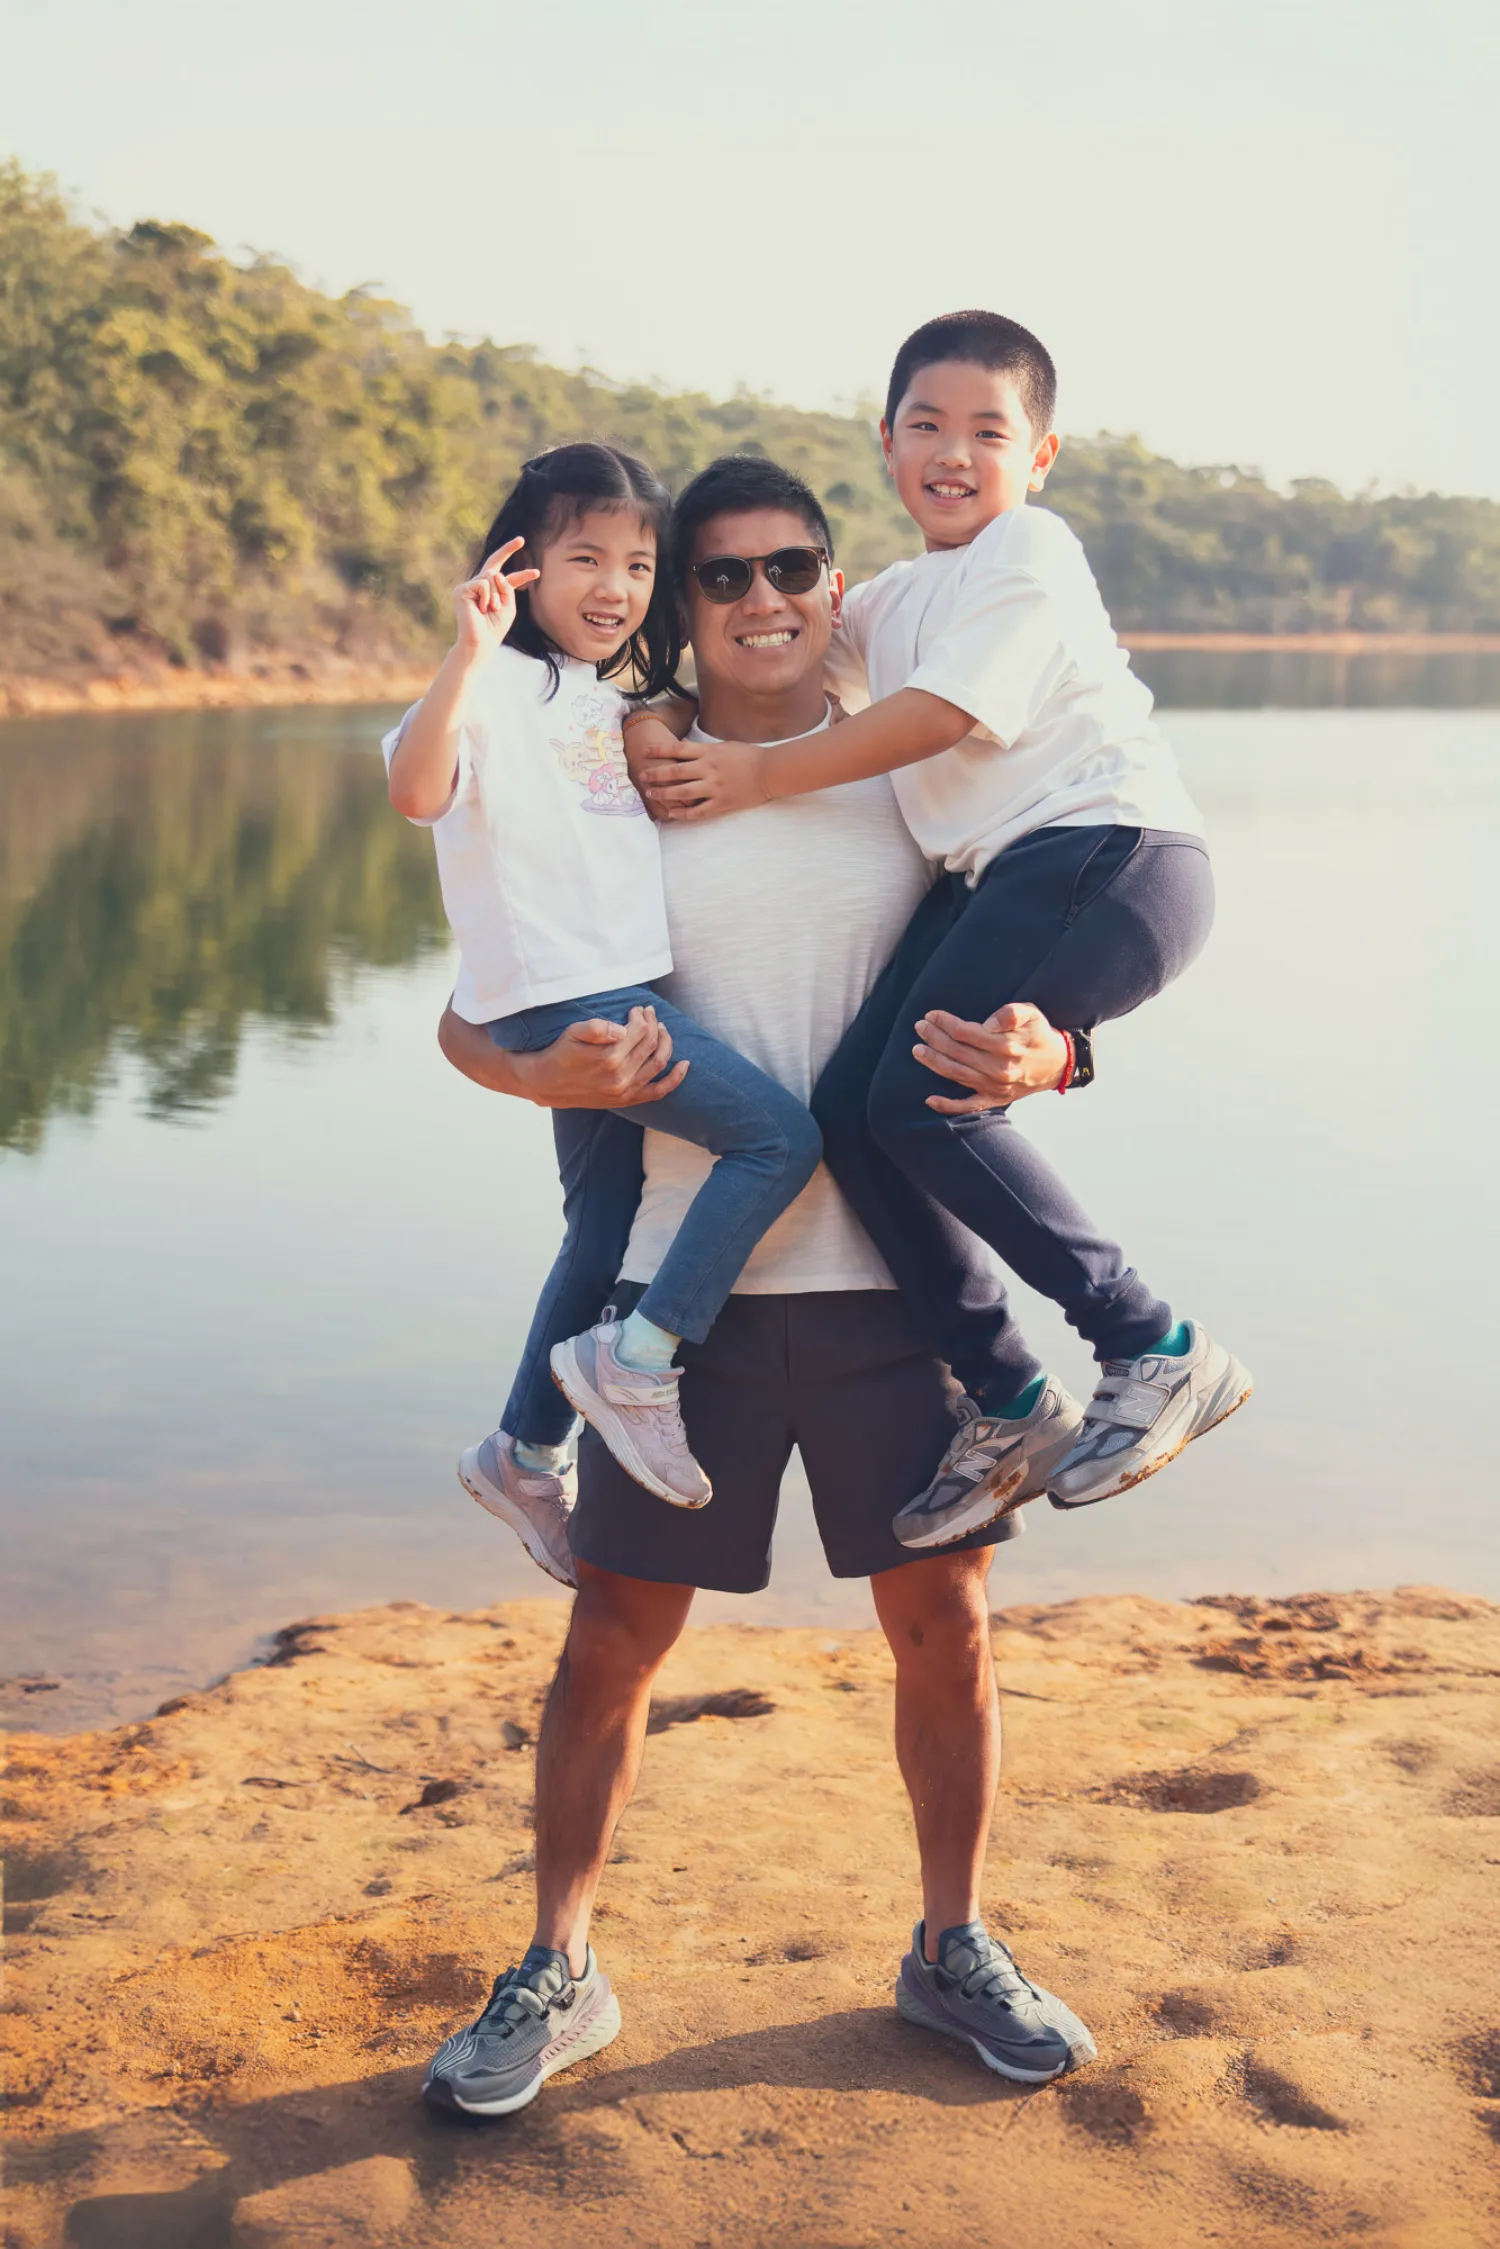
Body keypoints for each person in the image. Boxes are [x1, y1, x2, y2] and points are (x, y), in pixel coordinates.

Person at [420, 455, 1097, 2118]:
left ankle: (950, 1940)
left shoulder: (925, 766)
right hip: (680, 1298)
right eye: (719, 576)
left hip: (896, 1284)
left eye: (791, 565)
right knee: (611, 1642)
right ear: (679, 602)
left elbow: (1045, 956)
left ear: (835, 575)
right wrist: (537, 1080)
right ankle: (559, 1962)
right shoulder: (623, 761)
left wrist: (1061, 1050)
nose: (761, 598)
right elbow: (470, 1008)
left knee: (946, 1628)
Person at [632, 313, 1252, 1551]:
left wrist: (758, 780)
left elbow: (935, 714)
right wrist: (655, 708)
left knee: (920, 1107)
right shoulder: (906, 593)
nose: (954, 452)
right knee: (868, 1108)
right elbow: (777, 645)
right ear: (887, 442)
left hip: (1104, 851)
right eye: (927, 425)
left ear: (1044, 454)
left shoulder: (1031, 551)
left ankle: (1154, 1343)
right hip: (1015, 880)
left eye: (988, 430)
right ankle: (1013, 1399)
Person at [383, 442, 823, 1555]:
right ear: (521, 565)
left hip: (604, 991)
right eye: (586, 558)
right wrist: (466, 651)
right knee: (777, 1138)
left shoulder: (601, 697)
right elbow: (415, 788)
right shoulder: (492, 686)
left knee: (601, 1225)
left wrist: (662, 719)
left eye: (637, 564)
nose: (615, 588)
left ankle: (524, 1455)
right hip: (577, 1004)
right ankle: (640, 1360)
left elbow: (650, 717)